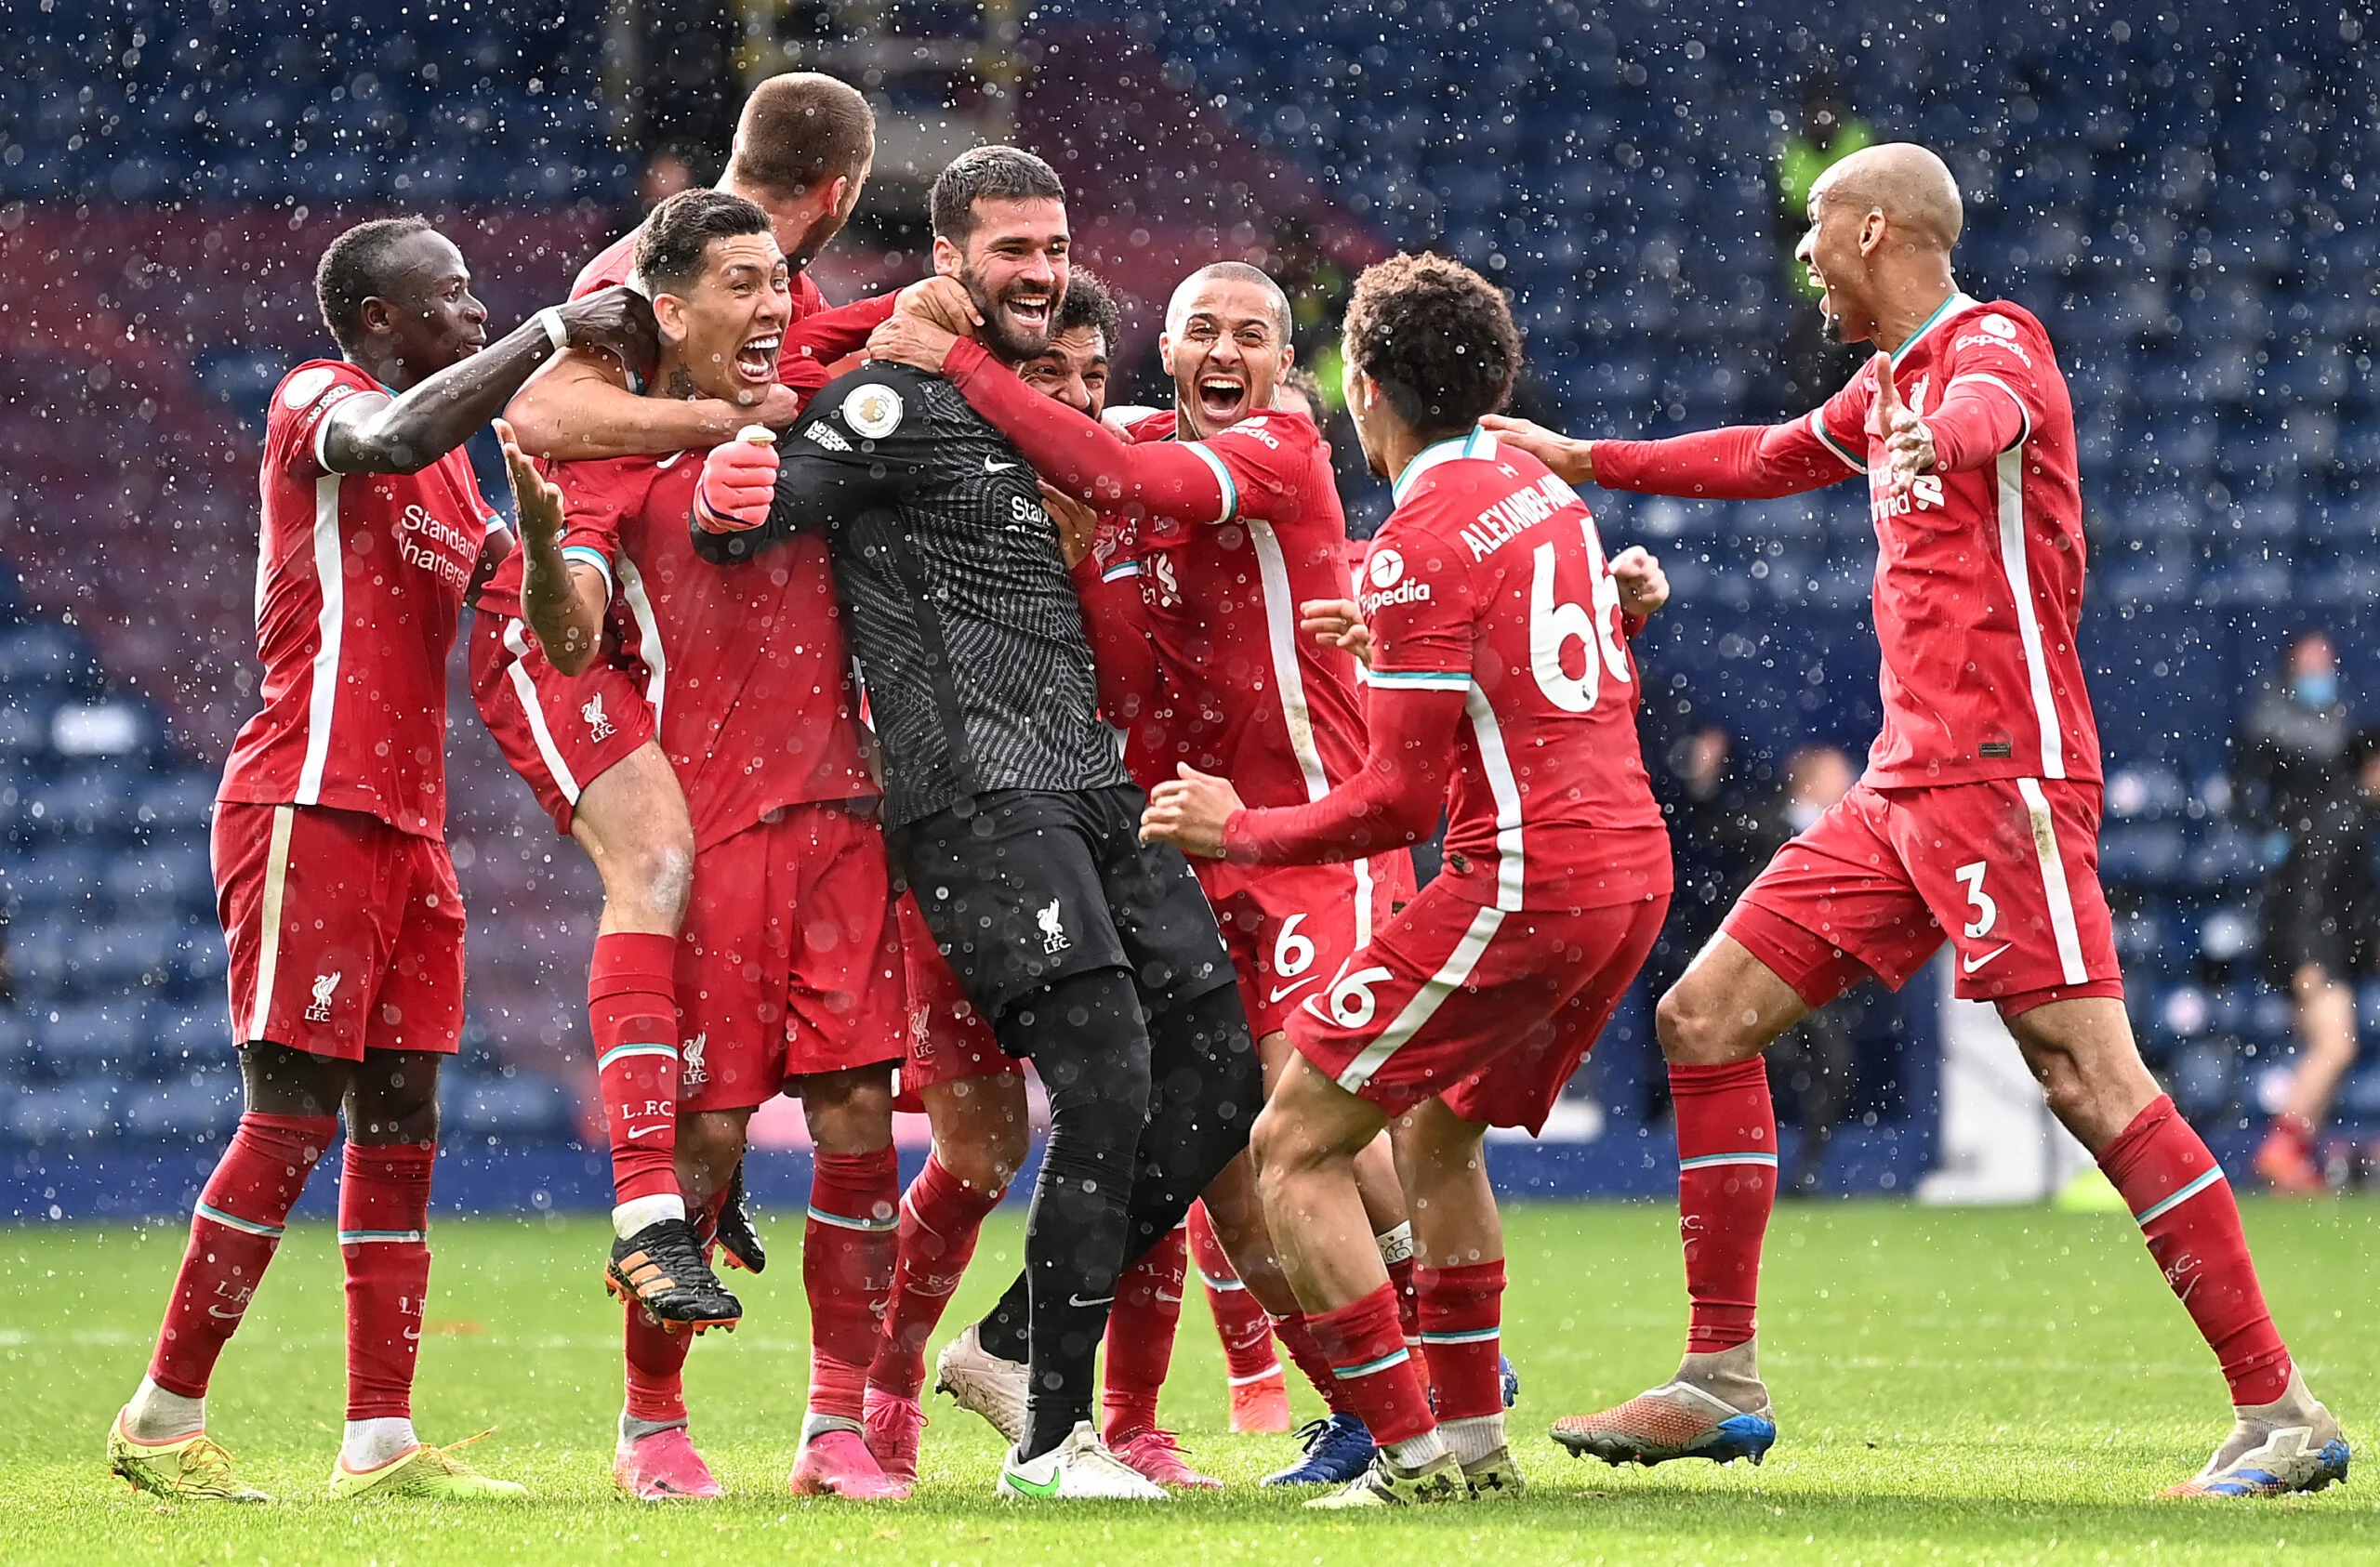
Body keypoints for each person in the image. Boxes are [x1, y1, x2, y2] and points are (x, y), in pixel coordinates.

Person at [1490, 141, 2349, 1499]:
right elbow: (1766, 458)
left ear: (1876, 228)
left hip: (2004, 779)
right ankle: (1720, 1377)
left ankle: (2280, 1407)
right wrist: (1583, 456)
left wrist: (1937, 436)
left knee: (2088, 1076)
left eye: (1819, 232)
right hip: (1903, 789)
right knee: (1702, 1018)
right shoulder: (1883, 381)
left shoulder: (1990, 345)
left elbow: (1997, 411)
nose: (1804, 257)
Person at [691, 145, 1262, 1502]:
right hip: (976, 796)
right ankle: (1053, 1445)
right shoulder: (894, 396)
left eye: (1051, 248)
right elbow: (759, 509)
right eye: (1011, 250)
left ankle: (1008, 1344)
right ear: (949, 258)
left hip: (1090, 784)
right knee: (1108, 1075)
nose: (1039, 271)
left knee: (1221, 1072)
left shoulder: (1019, 405)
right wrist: (732, 485)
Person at [106, 217, 652, 1502]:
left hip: (410, 829)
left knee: (402, 1120)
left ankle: (378, 1440)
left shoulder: (459, 482)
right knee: (292, 1112)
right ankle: (160, 1417)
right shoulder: (321, 399)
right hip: (308, 800)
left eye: (478, 297)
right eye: (449, 298)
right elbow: (393, 436)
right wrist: (551, 334)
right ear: (377, 321)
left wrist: (573, 538)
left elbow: (550, 627)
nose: (474, 311)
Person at [865, 256, 1431, 1490]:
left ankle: (1443, 1372)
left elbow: (1112, 466)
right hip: (1184, 850)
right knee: (1223, 1159)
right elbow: (1066, 446)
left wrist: (944, 356)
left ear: (1292, 367)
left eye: (1253, 333)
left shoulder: (1270, 449)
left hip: (1314, 836)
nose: (1226, 350)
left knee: (1316, 1121)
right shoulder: (1104, 459)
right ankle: (1360, 1408)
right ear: (1166, 357)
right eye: (1201, 331)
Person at [1141, 252, 1675, 1508]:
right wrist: (1401, 636)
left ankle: (1411, 1452)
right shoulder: (1541, 496)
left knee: (1294, 1148)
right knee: (1437, 1135)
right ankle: (1475, 1439)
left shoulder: (1414, 536)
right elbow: (1578, 682)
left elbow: (1394, 804)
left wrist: (1237, 828)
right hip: (1627, 867)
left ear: (1362, 386)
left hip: (1523, 880)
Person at [507, 188, 918, 1504]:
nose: (771, 304)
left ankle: (836, 1425)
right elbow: (571, 635)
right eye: (737, 285)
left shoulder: (812, 393)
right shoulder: (613, 456)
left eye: (776, 280)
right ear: (668, 310)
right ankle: (650, 1421)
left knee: (858, 1120)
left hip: (847, 817)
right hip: (718, 823)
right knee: (711, 1132)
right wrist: (535, 552)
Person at [860, 270, 1231, 1491]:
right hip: (979, 839)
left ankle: (1120, 1413)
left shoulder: (1123, 476)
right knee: (982, 1146)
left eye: (1090, 377)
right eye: (1050, 379)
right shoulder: (946, 485)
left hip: (1117, 827)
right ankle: (872, 1409)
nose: (1078, 397)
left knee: (1158, 1095)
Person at [2240, 632, 2368, 1192]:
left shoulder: (2347, 814)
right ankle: (2283, 1148)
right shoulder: (2333, 816)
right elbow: (2307, 893)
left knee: (2333, 1047)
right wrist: (2305, 959)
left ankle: (2293, 1152)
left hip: (2322, 942)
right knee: (2335, 1046)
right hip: (2313, 945)